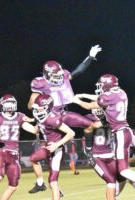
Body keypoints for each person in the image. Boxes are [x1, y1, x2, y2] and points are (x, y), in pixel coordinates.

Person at [72, 74, 135, 200]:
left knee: (124, 171)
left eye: (102, 84)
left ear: (106, 84)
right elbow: (101, 98)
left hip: (120, 133)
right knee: (123, 170)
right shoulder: (121, 93)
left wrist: (77, 100)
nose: (101, 86)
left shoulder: (107, 98)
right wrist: (83, 95)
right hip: (125, 130)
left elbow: (89, 106)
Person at [27, 45, 101, 193]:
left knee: (90, 125)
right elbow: (31, 104)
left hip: (64, 113)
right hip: (50, 118)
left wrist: (90, 57)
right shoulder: (39, 84)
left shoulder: (64, 75)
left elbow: (78, 71)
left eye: (59, 75)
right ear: (47, 75)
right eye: (55, 76)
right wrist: (35, 105)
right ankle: (50, 184)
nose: (59, 78)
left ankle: (88, 150)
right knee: (52, 152)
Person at [0, 94, 38, 200]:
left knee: (13, 185)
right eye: (8, 103)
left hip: (14, 154)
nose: (10, 105)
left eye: (12, 103)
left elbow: (34, 130)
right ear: (2, 105)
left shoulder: (19, 116)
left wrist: (41, 121)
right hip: (1, 150)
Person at [28, 94, 75, 200]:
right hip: (48, 147)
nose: (37, 110)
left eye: (39, 108)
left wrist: (57, 144)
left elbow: (71, 133)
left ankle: (56, 191)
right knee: (33, 158)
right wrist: (20, 122)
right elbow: (35, 130)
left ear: (46, 107)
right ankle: (40, 183)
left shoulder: (53, 119)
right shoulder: (40, 117)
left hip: (58, 150)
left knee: (53, 182)